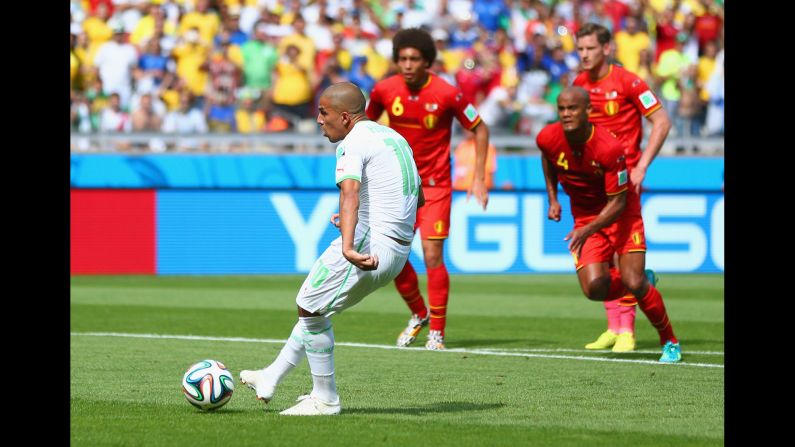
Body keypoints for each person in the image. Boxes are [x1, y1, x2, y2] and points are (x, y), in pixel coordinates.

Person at [239, 82, 424, 415]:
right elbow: (416, 199)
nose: (319, 119)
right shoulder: (394, 138)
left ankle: (325, 399)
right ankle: (271, 376)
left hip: (371, 245)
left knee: (308, 307)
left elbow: (349, 192)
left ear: (345, 117)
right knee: (317, 307)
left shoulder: (352, 143)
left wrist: (351, 245)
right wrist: (366, 218)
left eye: (323, 112)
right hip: (396, 247)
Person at [365, 27, 490, 351]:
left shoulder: (448, 94)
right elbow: (362, 130)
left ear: (427, 62)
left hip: (435, 186)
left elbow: (480, 128)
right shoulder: (384, 90)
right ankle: (419, 313)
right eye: (402, 58)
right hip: (397, 185)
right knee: (388, 256)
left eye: (414, 59)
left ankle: (437, 331)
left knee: (433, 254)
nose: (407, 64)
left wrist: (477, 177)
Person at [536, 86, 682, 363]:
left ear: (588, 111)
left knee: (633, 281)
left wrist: (587, 229)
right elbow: (548, 159)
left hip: (622, 215)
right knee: (594, 289)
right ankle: (640, 282)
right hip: (586, 218)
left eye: (573, 109)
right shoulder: (547, 137)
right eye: (562, 109)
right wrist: (552, 199)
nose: (566, 114)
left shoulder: (609, 148)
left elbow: (618, 203)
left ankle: (670, 341)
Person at [573, 23, 672, 353]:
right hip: (594, 184)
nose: (584, 54)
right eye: (580, 49)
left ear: (606, 48)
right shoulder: (579, 85)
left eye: (590, 48)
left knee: (619, 252)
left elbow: (661, 121)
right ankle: (615, 325)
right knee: (600, 259)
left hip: (624, 181)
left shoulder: (628, 81)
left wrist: (642, 165)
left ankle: (627, 329)